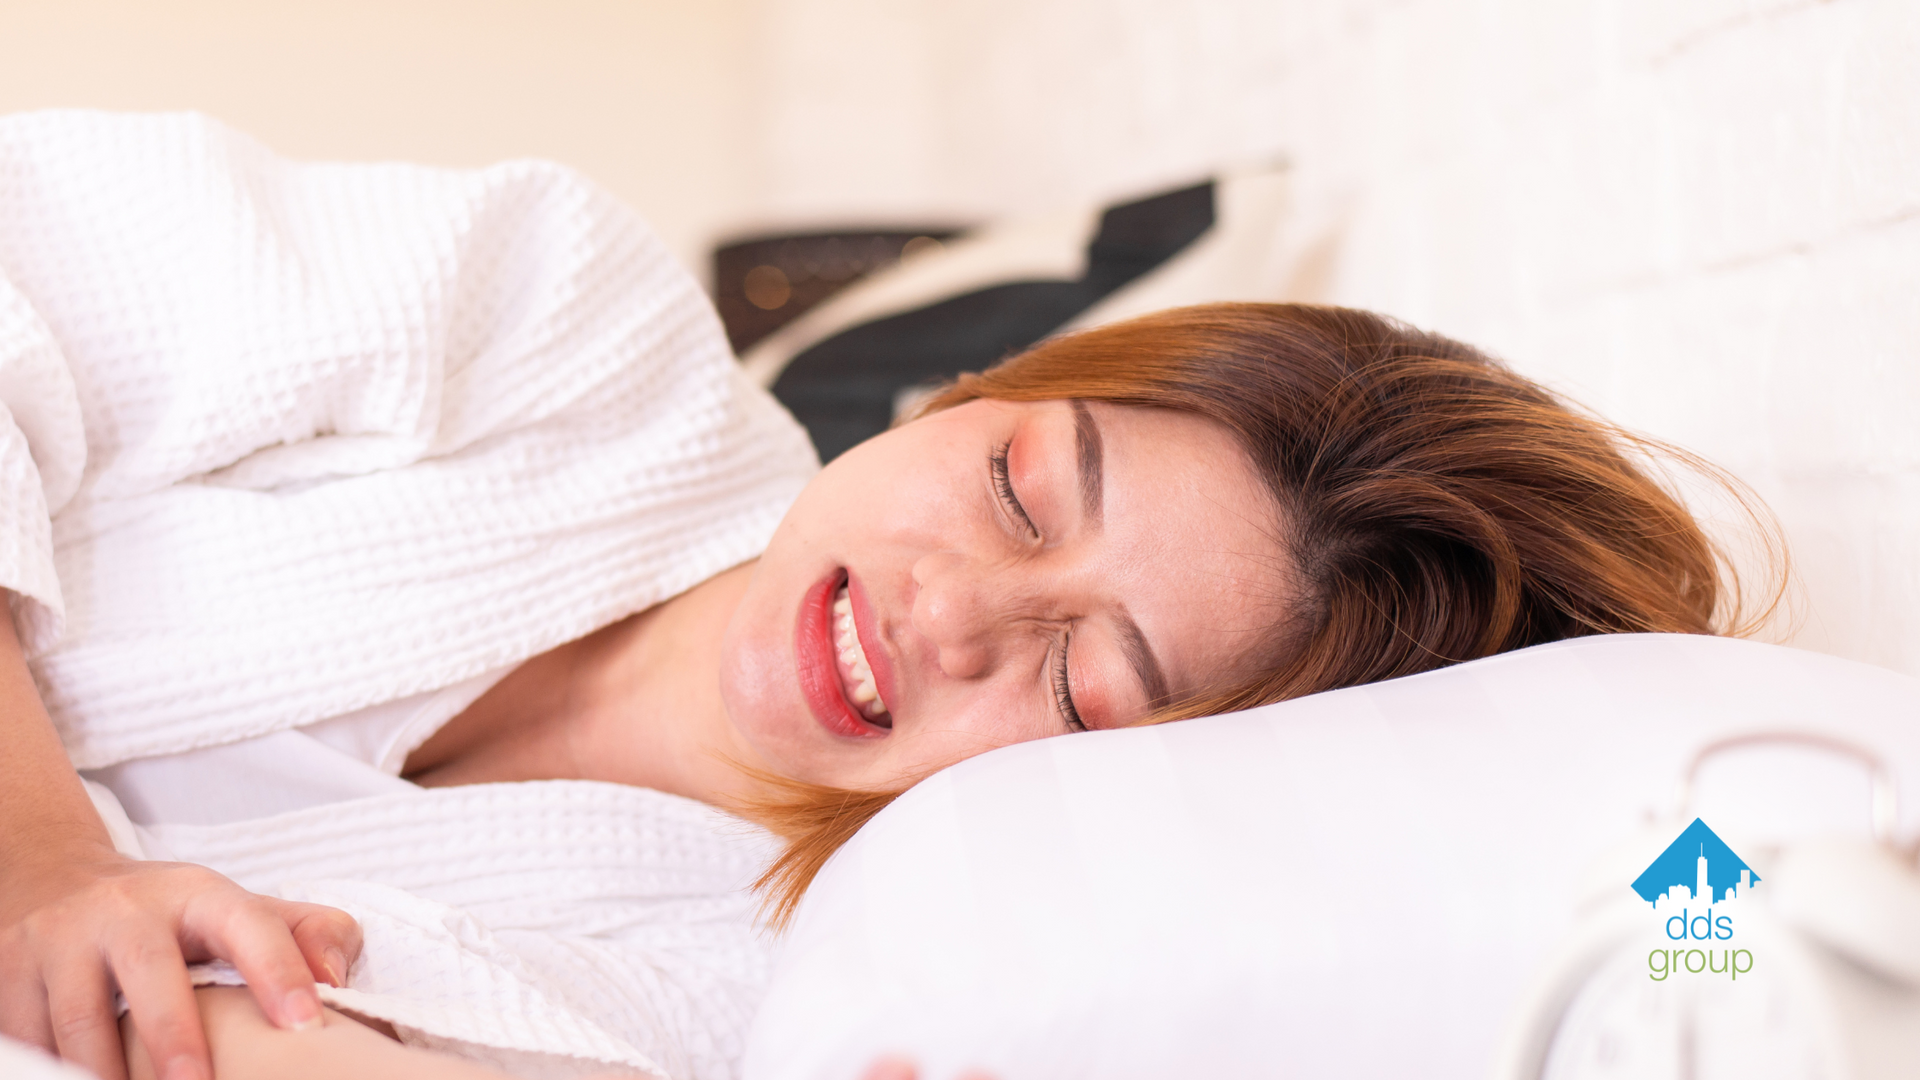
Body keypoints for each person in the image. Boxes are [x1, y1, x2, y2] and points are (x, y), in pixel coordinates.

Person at [0, 113, 1775, 1080]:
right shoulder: (563, 314)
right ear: (982, 383)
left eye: (1087, 681)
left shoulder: (780, 976)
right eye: (1019, 487)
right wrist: (48, 866)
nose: (953, 617)